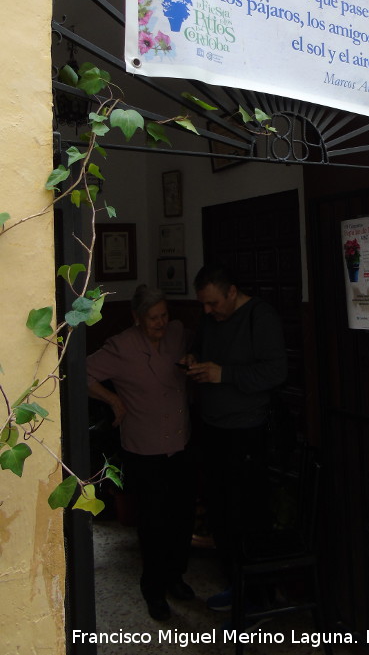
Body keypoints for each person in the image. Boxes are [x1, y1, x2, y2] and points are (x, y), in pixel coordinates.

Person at [87, 284, 196, 622]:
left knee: (182, 517)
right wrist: (113, 400)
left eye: (164, 315)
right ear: (137, 318)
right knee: (153, 523)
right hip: (144, 450)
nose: (160, 323)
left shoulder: (177, 333)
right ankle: (154, 589)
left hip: (180, 444)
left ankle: (176, 577)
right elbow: (82, 373)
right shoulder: (121, 347)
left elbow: (192, 351)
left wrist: (192, 361)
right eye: (153, 318)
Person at [183, 264, 288, 611]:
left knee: (248, 516)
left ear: (232, 292)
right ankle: (236, 585)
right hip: (212, 429)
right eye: (203, 303)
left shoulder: (260, 317)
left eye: (213, 302)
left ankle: (258, 596)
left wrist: (223, 374)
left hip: (247, 433)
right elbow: (201, 349)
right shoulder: (210, 319)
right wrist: (193, 360)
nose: (207, 310)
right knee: (221, 513)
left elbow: (276, 371)